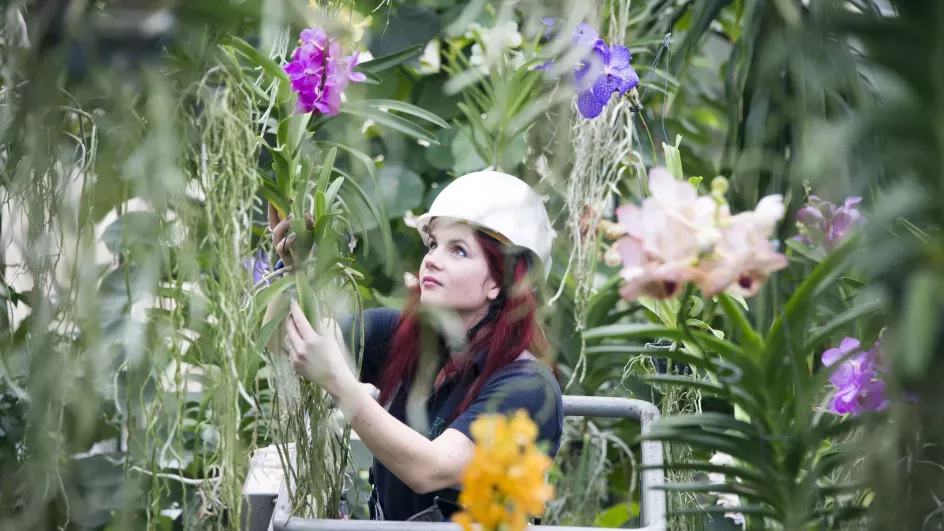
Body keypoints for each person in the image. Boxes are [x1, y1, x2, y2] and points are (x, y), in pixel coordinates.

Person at [265, 170, 564, 522]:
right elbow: (281, 342)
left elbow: (432, 470)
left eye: (459, 250)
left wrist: (337, 381)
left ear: (501, 282)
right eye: (434, 244)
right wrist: (294, 269)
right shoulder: (405, 336)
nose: (432, 259)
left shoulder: (527, 386)